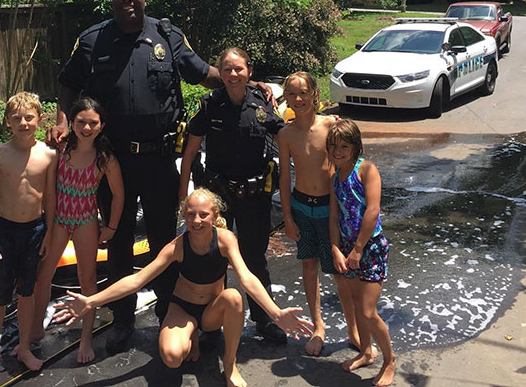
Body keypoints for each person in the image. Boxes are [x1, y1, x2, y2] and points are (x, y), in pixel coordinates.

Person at [46, 0, 272, 353]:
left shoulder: (167, 36)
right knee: (118, 242)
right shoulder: (92, 41)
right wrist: (61, 122)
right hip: (114, 163)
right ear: (112, 0)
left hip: (160, 160)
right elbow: (67, 84)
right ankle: (122, 320)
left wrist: (242, 84)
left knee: (165, 241)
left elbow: (203, 73)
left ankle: (170, 311)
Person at [54, 188, 313, 387]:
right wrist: (91, 301)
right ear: (184, 215)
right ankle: (191, 338)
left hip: (211, 312)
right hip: (183, 309)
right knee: (172, 357)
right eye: (190, 214)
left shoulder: (225, 240)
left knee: (234, 296)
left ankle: (230, 365)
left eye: (203, 215)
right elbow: (137, 280)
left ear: (215, 215)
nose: (196, 220)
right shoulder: (176, 246)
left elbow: (246, 278)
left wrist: (275, 313)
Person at [179, 47, 287, 343]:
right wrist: (183, 197)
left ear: (249, 71)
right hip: (218, 196)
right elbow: (190, 153)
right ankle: (212, 324)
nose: (233, 74)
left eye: (239, 68)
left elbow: (286, 136)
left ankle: (264, 320)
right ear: (221, 73)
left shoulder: (262, 102)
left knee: (254, 257)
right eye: (227, 69)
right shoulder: (209, 105)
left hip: (254, 196)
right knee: (213, 257)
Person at [31, 97, 124, 364]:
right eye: (81, 122)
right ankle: (35, 327)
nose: (86, 128)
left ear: (101, 126)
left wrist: (111, 227)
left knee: (88, 278)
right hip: (59, 219)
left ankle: (85, 338)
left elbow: (119, 194)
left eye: (93, 123)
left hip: (85, 220)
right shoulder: (61, 150)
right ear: (71, 122)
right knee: (43, 274)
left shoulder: (105, 159)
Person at [0, 92, 58, 386]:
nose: (24, 123)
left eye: (29, 117)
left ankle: (23, 347)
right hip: (4, 232)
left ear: (40, 118)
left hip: (34, 231)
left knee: (27, 292)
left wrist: (49, 232)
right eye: (17, 118)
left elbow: (50, 198)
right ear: (8, 122)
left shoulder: (49, 155)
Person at [277, 72, 359, 356]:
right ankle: (318, 327)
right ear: (286, 97)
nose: (298, 99)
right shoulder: (285, 134)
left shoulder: (330, 125)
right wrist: (288, 218)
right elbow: (284, 178)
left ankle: (353, 329)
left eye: (303, 93)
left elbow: (349, 160)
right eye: (292, 93)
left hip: (329, 208)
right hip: (301, 207)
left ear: (315, 94)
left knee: (339, 271)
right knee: (309, 266)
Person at [327, 119, 395, 386]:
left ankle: (389, 360)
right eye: (333, 146)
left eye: (344, 146)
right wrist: (335, 248)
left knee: (367, 311)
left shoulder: (366, 170)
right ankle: (366, 352)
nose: (338, 152)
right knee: (356, 303)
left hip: (371, 247)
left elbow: (372, 211)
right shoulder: (335, 178)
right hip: (346, 247)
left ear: (355, 146)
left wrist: (358, 249)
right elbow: (334, 217)